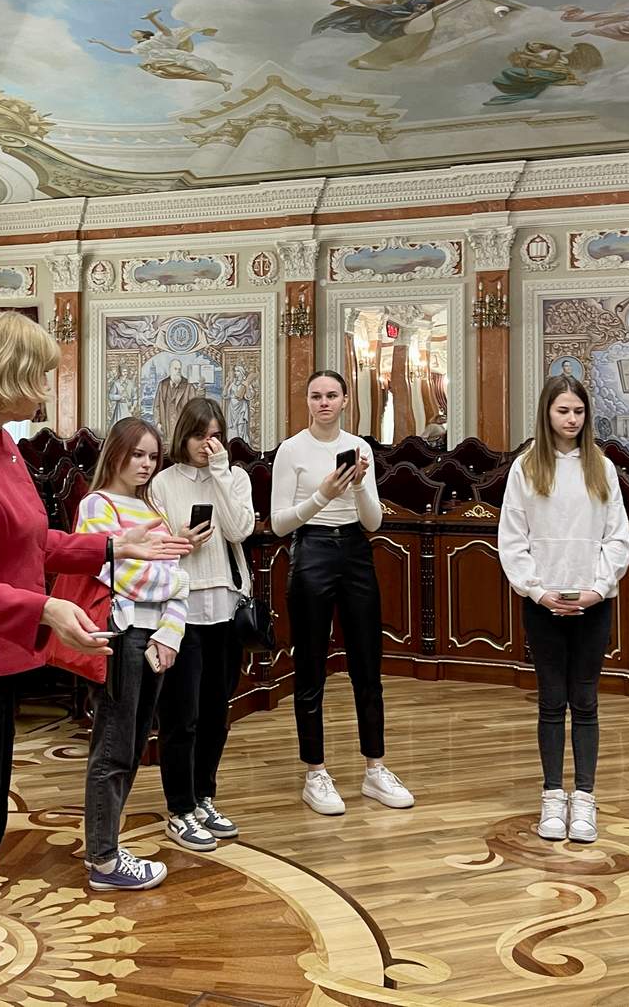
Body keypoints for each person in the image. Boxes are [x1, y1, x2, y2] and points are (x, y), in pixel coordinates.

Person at [0, 313, 187, 1003]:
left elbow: (29, 540)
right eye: (40, 376)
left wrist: (112, 546)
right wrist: (48, 610)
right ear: (6, 374)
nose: (47, 391)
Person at [270, 370, 413, 816]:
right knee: (310, 666)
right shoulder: (291, 450)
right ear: (307, 402)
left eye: (332, 395)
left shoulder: (359, 448)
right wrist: (322, 494)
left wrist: (358, 485)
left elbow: (373, 521)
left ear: (346, 400)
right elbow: (279, 523)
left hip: (355, 550)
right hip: (311, 548)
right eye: (316, 396)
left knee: (367, 666)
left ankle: (375, 768)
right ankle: (315, 772)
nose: (324, 403)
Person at [496, 374, 629, 844]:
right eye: (563, 411)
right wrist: (536, 591)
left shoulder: (601, 467)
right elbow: (513, 538)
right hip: (543, 602)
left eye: (578, 411)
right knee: (552, 702)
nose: (571, 419)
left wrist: (599, 588)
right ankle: (553, 794)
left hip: (592, 601)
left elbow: (617, 537)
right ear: (547, 413)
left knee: (586, 701)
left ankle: (585, 797)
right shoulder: (526, 468)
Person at [79, 418, 190, 889]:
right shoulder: (96, 505)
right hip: (122, 636)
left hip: (155, 639)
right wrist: (175, 581)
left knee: (136, 744)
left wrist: (171, 633)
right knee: (113, 747)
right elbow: (120, 576)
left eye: (152, 456)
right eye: (137, 454)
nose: (145, 464)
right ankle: (104, 859)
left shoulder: (152, 509)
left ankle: (107, 846)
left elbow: (175, 581)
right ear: (116, 453)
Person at [151, 399, 253, 850]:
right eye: (198, 435)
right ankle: (180, 808)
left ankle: (203, 796)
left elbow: (239, 530)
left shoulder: (234, 477)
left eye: (214, 436)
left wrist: (221, 473)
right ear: (183, 437)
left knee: (216, 713)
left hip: (226, 607)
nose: (206, 444)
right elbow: (155, 548)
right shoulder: (162, 483)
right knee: (181, 717)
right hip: (181, 610)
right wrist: (180, 541)